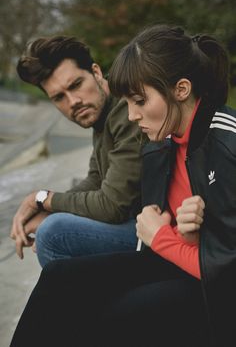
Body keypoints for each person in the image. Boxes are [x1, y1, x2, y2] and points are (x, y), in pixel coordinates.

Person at [10, 24, 236, 347]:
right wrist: (174, 235)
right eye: (128, 102)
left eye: (139, 101)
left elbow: (225, 272)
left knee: (106, 317)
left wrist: (163, 237)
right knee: (59, 279)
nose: (132, 115)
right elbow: (104, 187)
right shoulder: (161, 141)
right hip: (171, 259)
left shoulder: (226, 145)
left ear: (181, 89)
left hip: (212, 289)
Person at [10, 36, 145, 267]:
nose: (73, 101)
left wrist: (42, 200)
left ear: (96, 72)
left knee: (54, 234)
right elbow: (95, 179)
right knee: (55, 224)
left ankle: (78, 303)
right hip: (136, 225)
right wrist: (51, 209)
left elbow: (113, 206)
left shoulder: (126, 109)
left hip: (156, 237)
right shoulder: (101, 115)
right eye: (59, 97)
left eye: (75, 85)